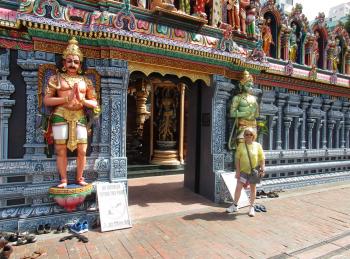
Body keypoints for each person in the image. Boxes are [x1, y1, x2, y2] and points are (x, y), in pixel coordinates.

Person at [44, 37, 99, 188]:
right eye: (69, 61)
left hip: (80, 115)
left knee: (82, 149)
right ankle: (63, 179)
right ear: (64, 63)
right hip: (60, 114)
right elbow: (47, 101)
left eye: (75, 61)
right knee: (60, 149)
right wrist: (66, 98)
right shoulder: (56, 78)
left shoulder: (86, 81)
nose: (72, 64)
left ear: (80, 64)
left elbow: (94, 103)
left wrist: (82, 100)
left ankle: (79, 177)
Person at [226, 128, 265, 217]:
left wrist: (263, 169)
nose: (248, 136)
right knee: (238, 187)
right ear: (244, 136)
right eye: (246, 134)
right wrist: (238, 171)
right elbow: (237, 159)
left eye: (250, 134)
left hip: (253, 171)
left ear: (253, 136)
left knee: (252, 189)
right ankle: (235, 205)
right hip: (243, 171)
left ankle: (251, 207)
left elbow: (262, 158)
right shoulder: (241, 145)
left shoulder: (257, 145)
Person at [228, 70, 259, 149]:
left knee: (252, 146)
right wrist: (244, 113)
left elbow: (257, 114)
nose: (250, 88)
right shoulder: (237, 98)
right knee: (241, 146)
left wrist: (253, 113)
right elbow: (232, 113)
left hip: (253, 124)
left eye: (251, 86)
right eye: (248, 85)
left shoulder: (254, 98)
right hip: (243, 125)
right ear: (242, 85)